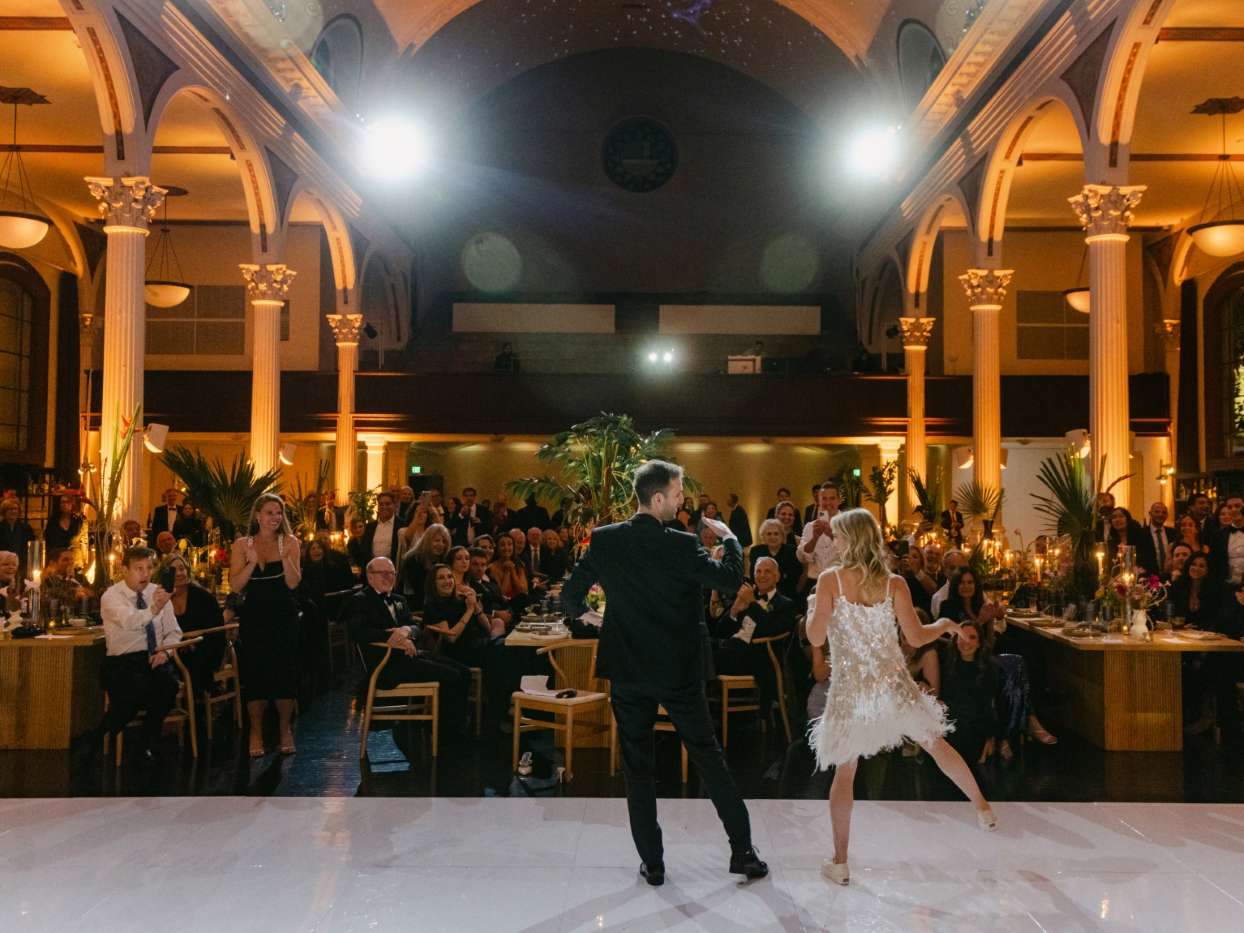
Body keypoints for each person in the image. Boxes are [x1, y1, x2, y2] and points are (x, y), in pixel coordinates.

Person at [562, 459, 768, 886]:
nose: (681, 501)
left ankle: (653, 864)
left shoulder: (603, 540)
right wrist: (730, 540)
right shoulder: (679, 544)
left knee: (637, 766)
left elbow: (570, 595)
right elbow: (731, 579)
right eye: (676, 495)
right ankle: (743, 853)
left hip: (628, 669)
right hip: (678, 670)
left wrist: (596, 620)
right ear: (657, 498)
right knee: (709, 758)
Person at [806, 508, 996, 887]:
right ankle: (983, 806)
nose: (835, 542)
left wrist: (814, 608)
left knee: (846, 770)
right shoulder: (894, 583)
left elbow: (814, 638)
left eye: (840, 536)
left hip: (851, 687)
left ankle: (840, 862)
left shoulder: (831, 580)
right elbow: (916, 636)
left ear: (852, 538)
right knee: (934, 743)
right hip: (891, 681)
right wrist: (941, 625)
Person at [70, 547, 184, 770]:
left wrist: (164, 653)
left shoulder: (158, 592)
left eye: (149, 568)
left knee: (168, 683)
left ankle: (143, 745)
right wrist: (155, 607)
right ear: (125, 570)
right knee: (136, 687)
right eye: (138, 568)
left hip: (154, 656)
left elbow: (174, 631)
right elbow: (131, 621)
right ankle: (96, 736)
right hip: (123, 661)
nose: (145, 574)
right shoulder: (112, 596)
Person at [342, 557, 470, 736]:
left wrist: (407, 631)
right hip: (386, 664)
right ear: (370, 577)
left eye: (392, 573)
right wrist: (395, 636)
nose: (390, 577)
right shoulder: (360, 600)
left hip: (409, 657)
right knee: (452, 677)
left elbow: (416, 626)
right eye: (384, 573)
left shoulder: (399, 599)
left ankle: (454, 728)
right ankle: (446, 735)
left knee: (464, 672)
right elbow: (358, 632)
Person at [230, 493, 302, 758]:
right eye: (270, 513)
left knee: (284, 670)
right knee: (256, 671)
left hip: (283, 613)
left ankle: (285, 729)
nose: (275, 518)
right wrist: (251, 562)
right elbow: (236, 586)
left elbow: (294, 583)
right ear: (257, 515)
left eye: (279, 513)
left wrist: (284, 557)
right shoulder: (241, 544)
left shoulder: (291, 542)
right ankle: (256, 731)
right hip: (255, 615)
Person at [711, 557, 796, 714]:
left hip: (756, 658)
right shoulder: (747, 597)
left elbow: (772, 629)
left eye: (767, 571)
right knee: (699, 646)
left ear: (777, 577)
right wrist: (734, 610)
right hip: (732, 650)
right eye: (758, 571)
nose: (761, 575)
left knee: (701, 659)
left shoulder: (785, 604)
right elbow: (720, 632)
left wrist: (754, 605)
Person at [162, 551, 228, 701]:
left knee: (194, 659)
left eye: (182, 568)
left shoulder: (203, 597)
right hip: (174, 649)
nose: (179, 573)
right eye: (174, 570)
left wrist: (193, 642)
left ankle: (196, 711)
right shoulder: (162, 600)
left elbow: (216, 631)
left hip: (205, 646)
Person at [939, 619, 1001, 772]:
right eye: (961, 635)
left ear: (979, 643)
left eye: (972, 637)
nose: (966, 641)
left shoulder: (989, 668)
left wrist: (949, 707)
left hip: (977, 720)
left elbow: (980, 706)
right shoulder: (946, 662)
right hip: (953, 718)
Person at [798, 483, 844, 581]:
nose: (828, 503)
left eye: (832, 498)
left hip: (838, 580)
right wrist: (815, 538)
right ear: (819, 500)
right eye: (824, 499)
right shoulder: (810, 527)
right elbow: (801, 558)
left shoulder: (848, 525)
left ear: (839, 501)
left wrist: (832, 535)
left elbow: (851, 555)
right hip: (814, 580)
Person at [748, 518, 802, 601]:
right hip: (762, 595)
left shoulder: (792, 552)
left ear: (782, 535)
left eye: (776, 534)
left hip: (786, 596)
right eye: (769, 534)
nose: (773, 537)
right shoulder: (756, 551)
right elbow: (753, 576)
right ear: (763, 536)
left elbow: (793, 578)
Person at [400, 522, 451, 607]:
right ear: (427, 541)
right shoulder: (413, 560)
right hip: (415, 605)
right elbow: (418, 590)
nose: (441, 544)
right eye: (437, 540)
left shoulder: (445, 560)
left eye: (444, 541)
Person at [1169, 553, 1222, 629]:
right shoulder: (1177, 586)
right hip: (1180, 632)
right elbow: (1171, 614)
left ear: (1208, 570)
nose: (1196, 568)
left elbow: (1215, 619)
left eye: (1201, 566)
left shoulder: (1215, 590)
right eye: (1193, 564)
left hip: (1205, 634)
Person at [1105, 507, 1156, 576]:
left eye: (1121, 516)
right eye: (1114, 518)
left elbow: (1149, 562)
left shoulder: (1141, 539)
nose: (1117, 520)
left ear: (1128, 519)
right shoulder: (1111, 543)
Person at [362, 492, 408, 565]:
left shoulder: (402, 525)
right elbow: (365, 551)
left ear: (394, 505)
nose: (384, 507)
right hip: (373, 570)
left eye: (387, 504)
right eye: (381, 504)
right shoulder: (370, 527)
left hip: (393, 570)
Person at [489, 532, 529, 615]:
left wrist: (513, 572)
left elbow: (523, 590)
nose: (506, 548)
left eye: (509, 544)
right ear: (497, 548)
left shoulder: (519, 564)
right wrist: (507, 574)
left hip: (519, 601)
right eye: (502, 545)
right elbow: (500, 594)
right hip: (504, 605)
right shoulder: (492, 567)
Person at [1210, 495, 1244, 585]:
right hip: (1226, 589)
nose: (1233, 510)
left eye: (1237, 506)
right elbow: (1214, 564)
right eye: (1229, 507)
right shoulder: (1218, 535)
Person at [0, 499, 35, 573]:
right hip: (3, 565)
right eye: (10, 509)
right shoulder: (0, 527)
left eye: (16, 509)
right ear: (4, 511)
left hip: (22, 565)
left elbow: (31, 547)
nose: (13, 511)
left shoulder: (26, 528)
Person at [930, 549, 967, 618]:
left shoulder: (975, 591)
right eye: (952, 568)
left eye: (960, 568)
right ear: (944, 570)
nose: (957, 572)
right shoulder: (938, 598)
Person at [1144, 502, 1175, 575]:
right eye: (1157, 512)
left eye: (1164, 512)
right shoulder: (1141, 533)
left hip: (1170, 576)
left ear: (1167, 515)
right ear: (1150, 513)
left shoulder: (1173, 533)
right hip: (1149, 577)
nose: (1160, 514)